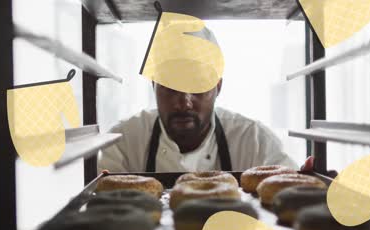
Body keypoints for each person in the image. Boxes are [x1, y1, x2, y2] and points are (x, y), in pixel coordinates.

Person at [97, 26, 322, 174]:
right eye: (171, 87)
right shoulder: (123, 143)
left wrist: (313, 185)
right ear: (154, 86)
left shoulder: (254, 142)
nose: (184, 102)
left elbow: (291, 190)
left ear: (218, 87)